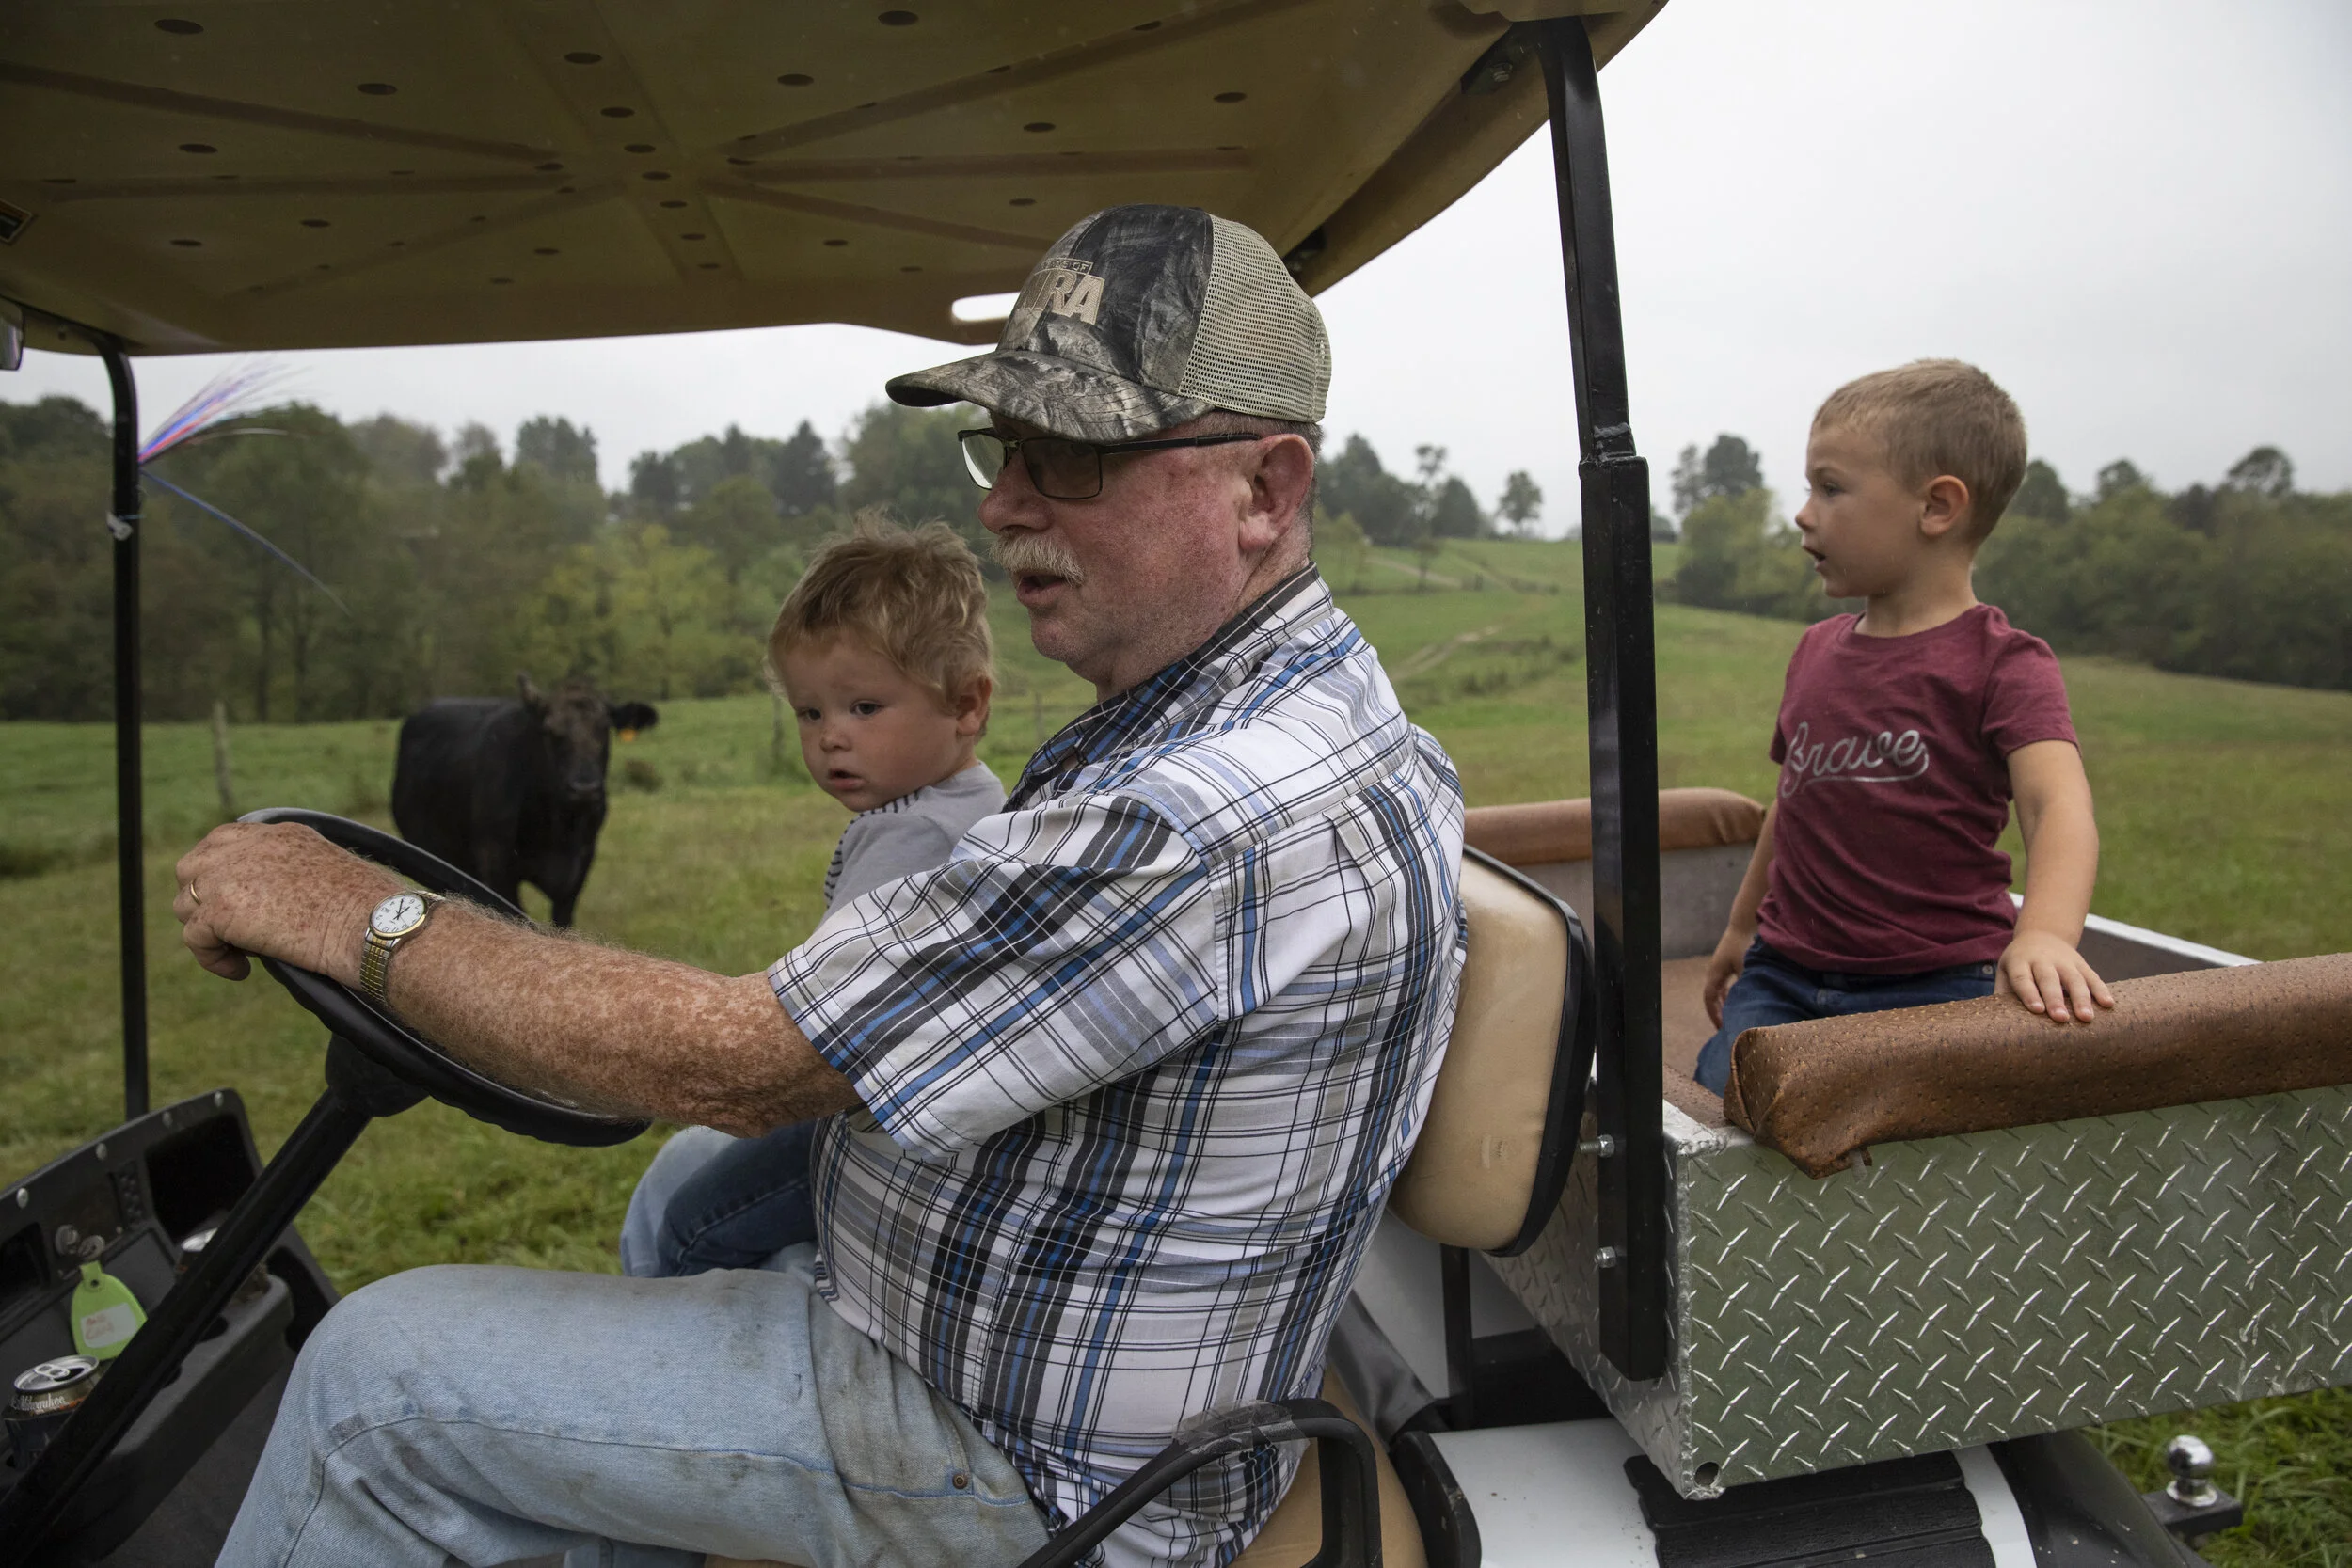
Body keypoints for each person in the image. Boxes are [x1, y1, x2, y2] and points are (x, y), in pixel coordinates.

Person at [176, 204, 1465, 1568]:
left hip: (1017, 1456)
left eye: (1073, 455)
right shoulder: (1266, 710)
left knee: (372, 1380)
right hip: (983, 1352)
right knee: (682, 1195)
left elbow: (745, 1057)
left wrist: (356, 914)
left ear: (1264, 489)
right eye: (1008, 446)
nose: (1002, 501)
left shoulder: (1205, 809)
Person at [1693, 359, 2114, 1098]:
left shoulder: (2003, 664)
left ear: (1938, 507)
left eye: (1830, 487)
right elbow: (1792, 805)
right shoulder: (1815, 651)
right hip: (1785, 974)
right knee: (1730, 1094)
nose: (1803, 512)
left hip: (1938, 980)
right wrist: (1739, 929)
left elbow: (2057, 806)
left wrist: (2045, 933)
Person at [625, 513, 1007, 1280]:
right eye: (811, 712)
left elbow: (823, 1020)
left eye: (864, 708)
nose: (831, 736)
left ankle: (716, 1354)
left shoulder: (914, 839)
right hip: (913, 1113)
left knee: (691, 1229)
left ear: (967, 706)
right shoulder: (973, 796)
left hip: (869, 1125)